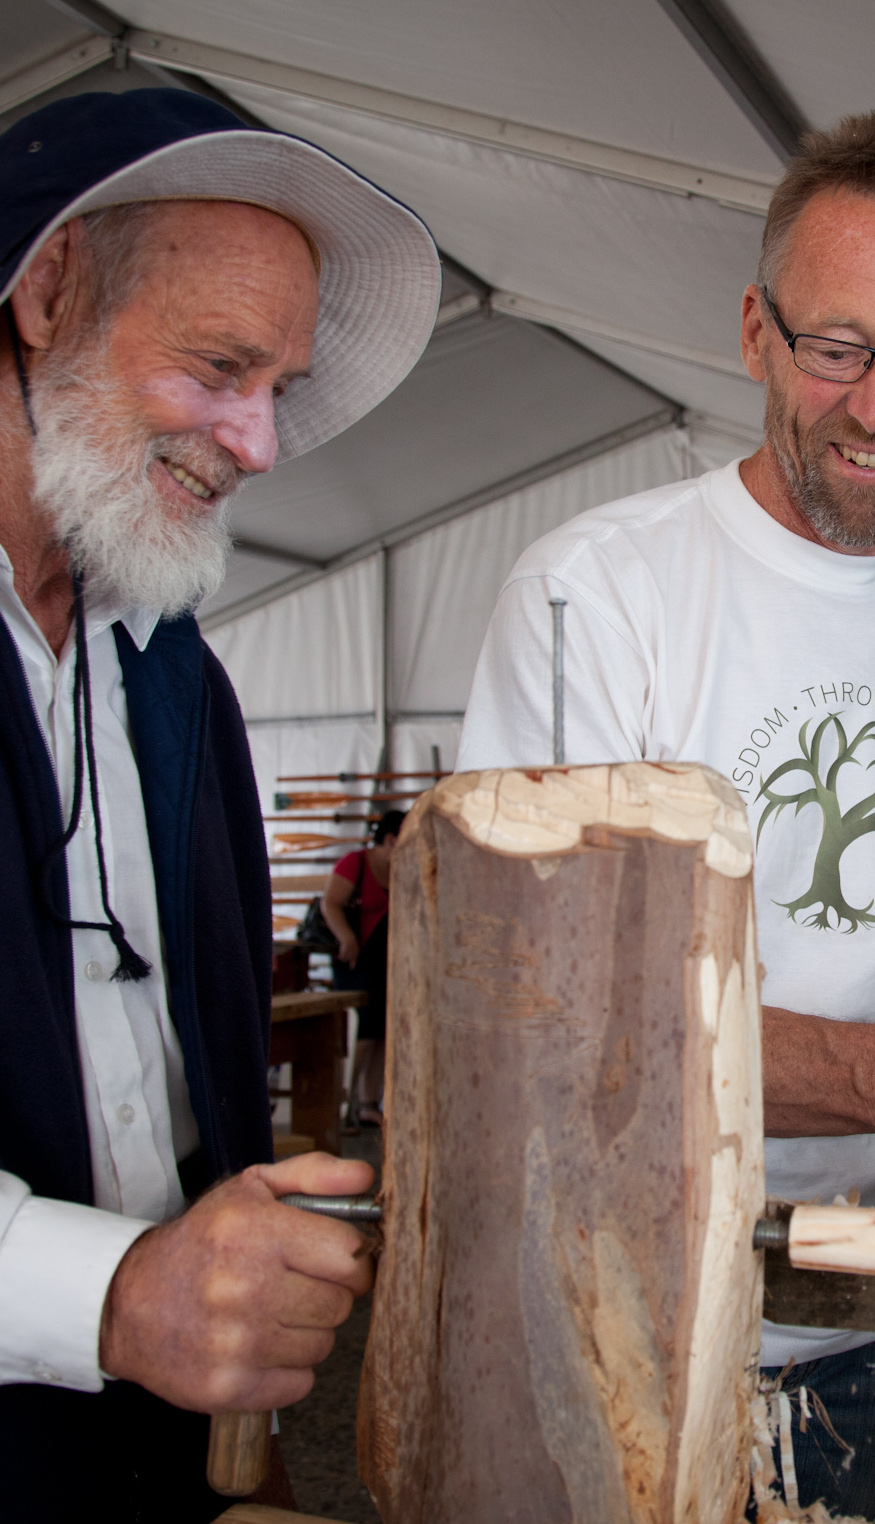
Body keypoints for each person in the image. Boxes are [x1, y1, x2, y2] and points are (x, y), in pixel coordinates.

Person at [458, 111, 875, 1524]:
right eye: (836, 347)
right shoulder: (598, 594)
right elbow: (551, 1020)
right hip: (620, 1306)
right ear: (756, 331)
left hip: (874, 1318)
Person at [0, 89, 438, 1520]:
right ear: (49, 287)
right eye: (217, 366)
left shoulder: (171, 672)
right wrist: (117, 1294)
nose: (256, 443)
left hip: (148, 1446)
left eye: (278, 387)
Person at [323, 808, 405, 1130]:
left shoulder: (402, 868)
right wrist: (347, 938)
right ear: (389, 839)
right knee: (364, 1027)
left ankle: (370, 1103)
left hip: (385, 959)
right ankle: (346, 1102)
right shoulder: (355, 863)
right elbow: (330, 903)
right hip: (354, 957)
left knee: (384, 1030)